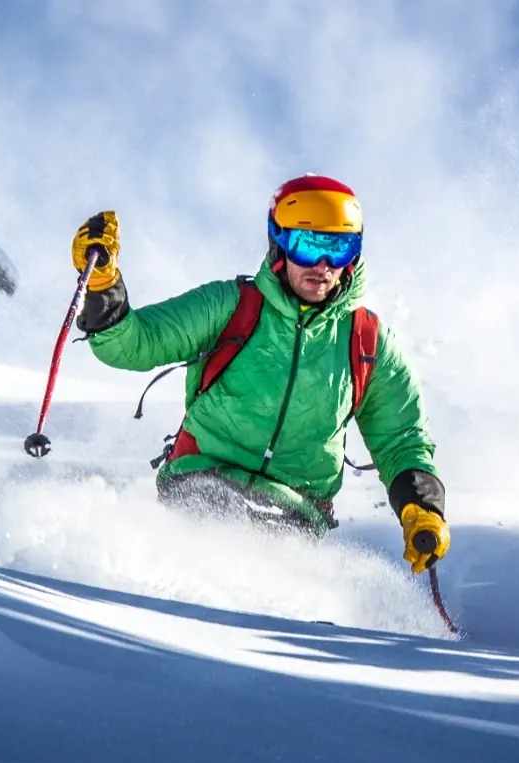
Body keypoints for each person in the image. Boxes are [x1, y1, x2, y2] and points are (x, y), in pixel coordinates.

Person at [68, 175, 450, 574]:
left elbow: (402, 441)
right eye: (308, 246)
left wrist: (423, 509)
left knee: (275, 591)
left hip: (293, 515)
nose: (323, 266)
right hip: (202, 482)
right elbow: (132, 343)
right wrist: (102, 285)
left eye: (338, 248)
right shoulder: (231, 306)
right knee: (210, 547)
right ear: (280, 243)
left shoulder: (367, 343)